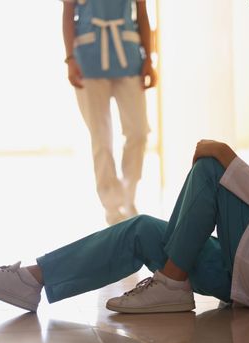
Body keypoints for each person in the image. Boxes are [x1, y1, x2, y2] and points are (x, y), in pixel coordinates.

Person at [0, 24, 249, 314]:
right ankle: (33, 279)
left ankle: (170, 283)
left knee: (208, 167)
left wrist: (225, 154)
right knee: (142, 228)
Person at [63, 0, 157, 225]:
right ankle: (112, 208)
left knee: (138, 132)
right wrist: (69, 59)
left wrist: (149, 60)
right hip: (88, 59)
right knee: (101, 139)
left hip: (128, 56)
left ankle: (128, 195)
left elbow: (142, 14)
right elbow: (68, 13)